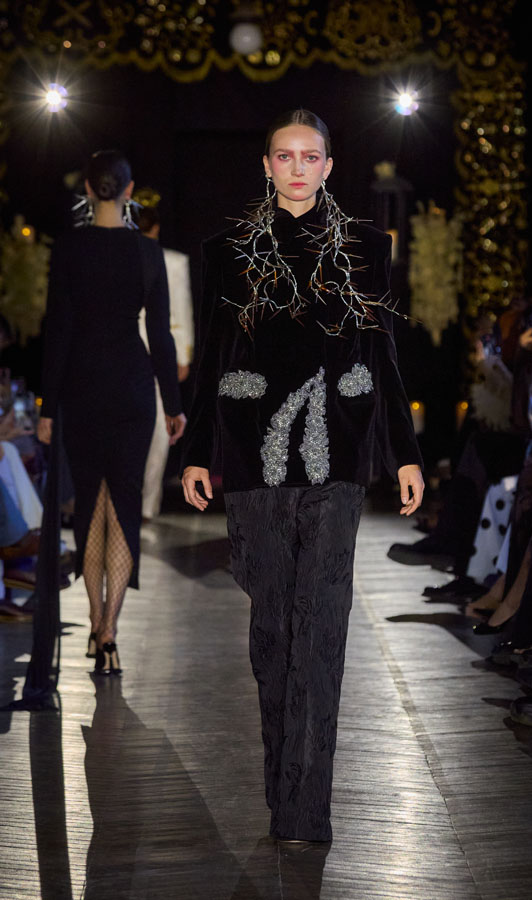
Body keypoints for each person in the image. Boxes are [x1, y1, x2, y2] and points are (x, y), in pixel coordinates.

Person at [180, 109, 424, 843]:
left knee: (321, 627)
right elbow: (213, 357)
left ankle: (303, 809)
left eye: (309, 156)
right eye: (283, 156)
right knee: (272, 631)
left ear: (327, 165)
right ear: (266, 165)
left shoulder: (367, 249)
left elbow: (384, 356)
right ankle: (284, 783)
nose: (296, 168)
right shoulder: (227, 251)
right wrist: (197, 451)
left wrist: (404, 452)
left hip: (337, 457)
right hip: (252, 457)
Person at [37, 150, 186, 674]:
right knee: (122, 502)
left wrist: (47, 405)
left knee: (91, 503)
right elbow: (161, 335)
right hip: (131, 386)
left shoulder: (69, 248)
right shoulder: (147, 252)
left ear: (87, 188)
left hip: (81, 386)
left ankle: (95, 616)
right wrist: (173, 404)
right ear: (127, 191)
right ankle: (109, 631)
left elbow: (58, 330)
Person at [135, 204, 194, 520]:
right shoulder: (124, 255)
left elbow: (181, 308)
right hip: (133, 349)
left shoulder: (172, 261)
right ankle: (138, 502)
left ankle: (146, 503)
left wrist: (183, 355)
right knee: (150, 427)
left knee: (159, 428)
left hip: (154, 349)